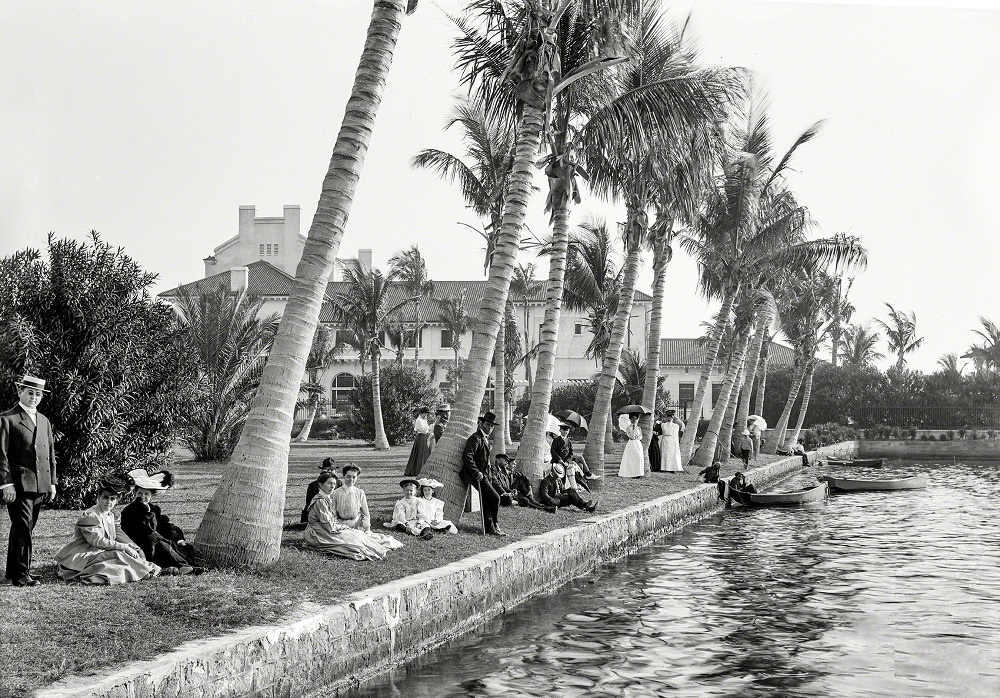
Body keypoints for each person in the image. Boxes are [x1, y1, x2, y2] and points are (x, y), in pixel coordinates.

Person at [2, 374, 57, 587]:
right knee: (23, 525)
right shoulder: (7, 418)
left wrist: (52, 482)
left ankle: (14, 569)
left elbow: (50, 453)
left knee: (25, 527)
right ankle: (21, 575)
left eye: (38, 394)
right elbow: (1, 454)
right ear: (20, 392)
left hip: (40, 483)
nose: (34, 397)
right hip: (18, 484)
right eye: (30, 392)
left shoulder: (43, 420)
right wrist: (6, 484)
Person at [55, 480, 161, 584]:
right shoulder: (90, 516)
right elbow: (98, 541)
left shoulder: (110, 515)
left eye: (112, 499)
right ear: (98, 498)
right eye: (105, 498)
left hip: (100, 554)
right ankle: (149, 571)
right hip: (83, 557)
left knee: (121, 560)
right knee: (118, 554)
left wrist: (134, 548)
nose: (108, 502)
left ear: (116, 501)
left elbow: (118, 535)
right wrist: (125, 547)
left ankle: (149, 569)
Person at [304, 468, 403, 560]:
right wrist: (343, 527)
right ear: (321, 485)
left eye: (334, 484)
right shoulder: (320, 501)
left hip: (329, 527)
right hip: (319, 532)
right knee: (352, 542)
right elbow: (328, 525)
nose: (332, 486)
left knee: (357, 534)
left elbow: (332, 521)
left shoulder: (326, 498)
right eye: (329, 483)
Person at [120, 469, 202, 574]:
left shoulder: (154, 508)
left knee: (174, 545)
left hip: (155, 541)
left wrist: (178, 538)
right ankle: (181, 566)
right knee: (157, 541)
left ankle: (186, 565)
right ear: (135, 493)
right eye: (140, 493)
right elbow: (147, 529)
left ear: (151, 496)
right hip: (140, 543)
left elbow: (164, 525)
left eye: (146, 494)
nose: (143, 497)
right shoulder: (128, 511)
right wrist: (147, 512)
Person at [460, 412, 504, 536]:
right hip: (477, 475)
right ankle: (495, 523)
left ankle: (489, 528)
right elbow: (467, 456)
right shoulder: (475, 438)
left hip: (487, 474)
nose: (490, 428)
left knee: (486, 500)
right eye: (488, 425)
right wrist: (476, 472)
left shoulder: (485, 438)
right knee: (495, 498)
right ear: (481, 424)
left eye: (492, 426)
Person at [489, 453, 555, 513]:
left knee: (521, 481)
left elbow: (524, 476)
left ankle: (537, 503)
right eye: (505, 460)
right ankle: (544, 508)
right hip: (501, 495)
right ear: (498, 460)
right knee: (524, 500)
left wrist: (529, 488)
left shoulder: (507, 471)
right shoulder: (494, 469)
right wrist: (506, 493)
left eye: (507, 461)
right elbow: (496, 483)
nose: (506, 462)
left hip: (507, 492)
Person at [301, 457, 340, 524]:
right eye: (326, 470)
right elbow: (311, 503)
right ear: (322, 471)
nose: (329, 472)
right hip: (317, 517)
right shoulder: (314, 485)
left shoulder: (339, 483)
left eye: (331, 470)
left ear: (335, 471)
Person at [403, 407, 433, 477]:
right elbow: (424, 429)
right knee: (419, 453)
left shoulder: (423, 420)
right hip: (421, 437)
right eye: (426, 413)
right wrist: (426, 423)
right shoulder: (419, 420)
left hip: (423, 437)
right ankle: (416, 470)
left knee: (423, 453)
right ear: (423, 413)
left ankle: (421, 469)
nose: (426, 415)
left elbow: (426, 429)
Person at [617, 412, 645, 478]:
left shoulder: (639, 428)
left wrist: (638, 437)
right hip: (632, 444)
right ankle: (632, 473)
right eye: (632, 418)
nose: (634, 420)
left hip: (638, 443)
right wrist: (634, 428)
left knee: (639, 457)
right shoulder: (629, 428)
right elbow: (631, 436)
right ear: (630, 419)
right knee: (632, 458)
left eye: (635, 418)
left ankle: (639, 473)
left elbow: (641, 436)